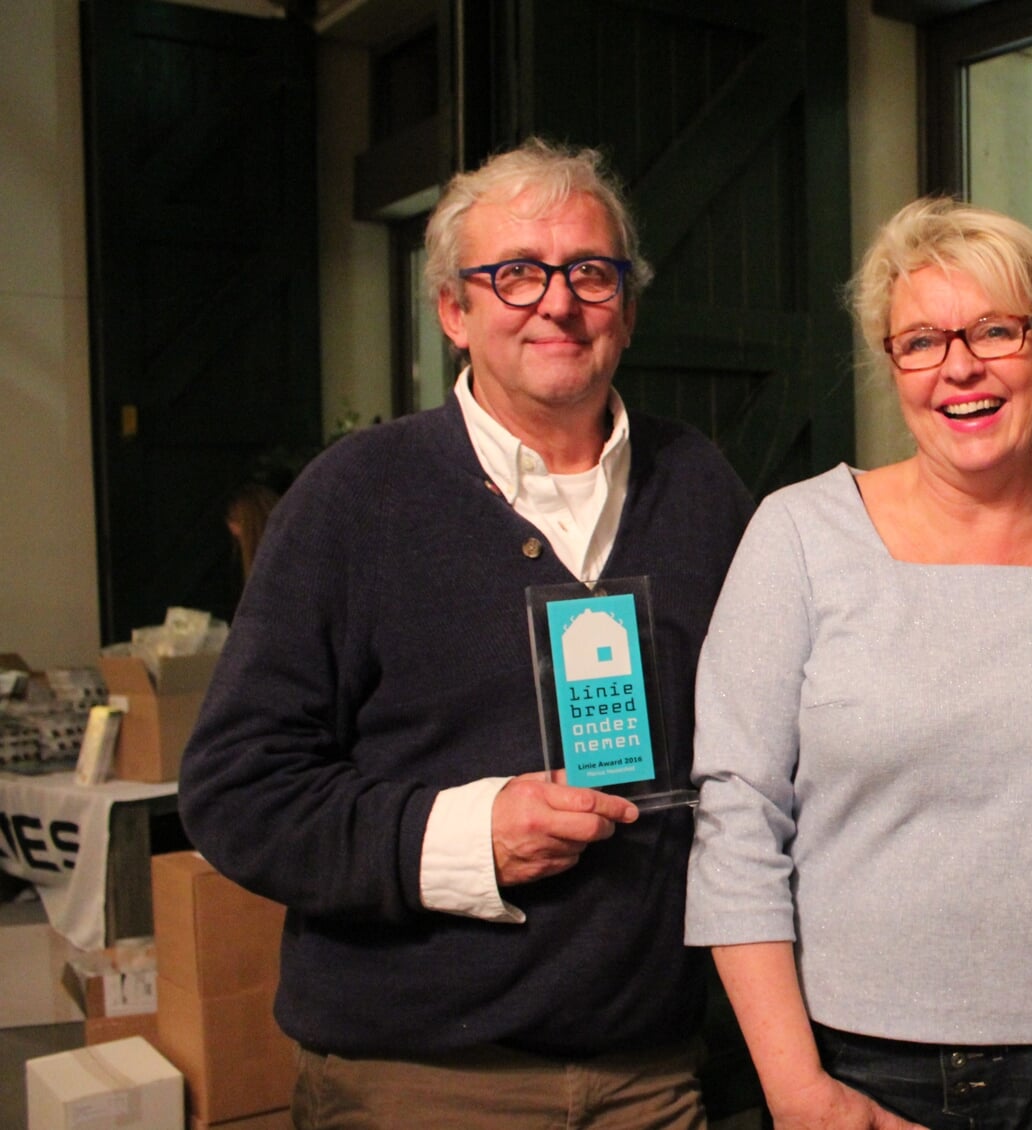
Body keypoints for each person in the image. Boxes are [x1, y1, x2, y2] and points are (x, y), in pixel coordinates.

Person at [178, 138, 752, 1129]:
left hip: (655, 1069)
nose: (558, 303)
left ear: (627, 299)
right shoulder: (355, 498)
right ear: (456, 310)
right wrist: (462, 836)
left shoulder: (699, 487)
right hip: (419, 1079)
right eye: (516, 274)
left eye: (589, 272)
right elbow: (235, 789)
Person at [685, 197, 1032, 1130]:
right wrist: (796, 1091)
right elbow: (738, 817)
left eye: (994, 330)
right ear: (893, 367)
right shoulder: (800, 536)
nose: (960, 366)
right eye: (921, 341)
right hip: (855, 1066)